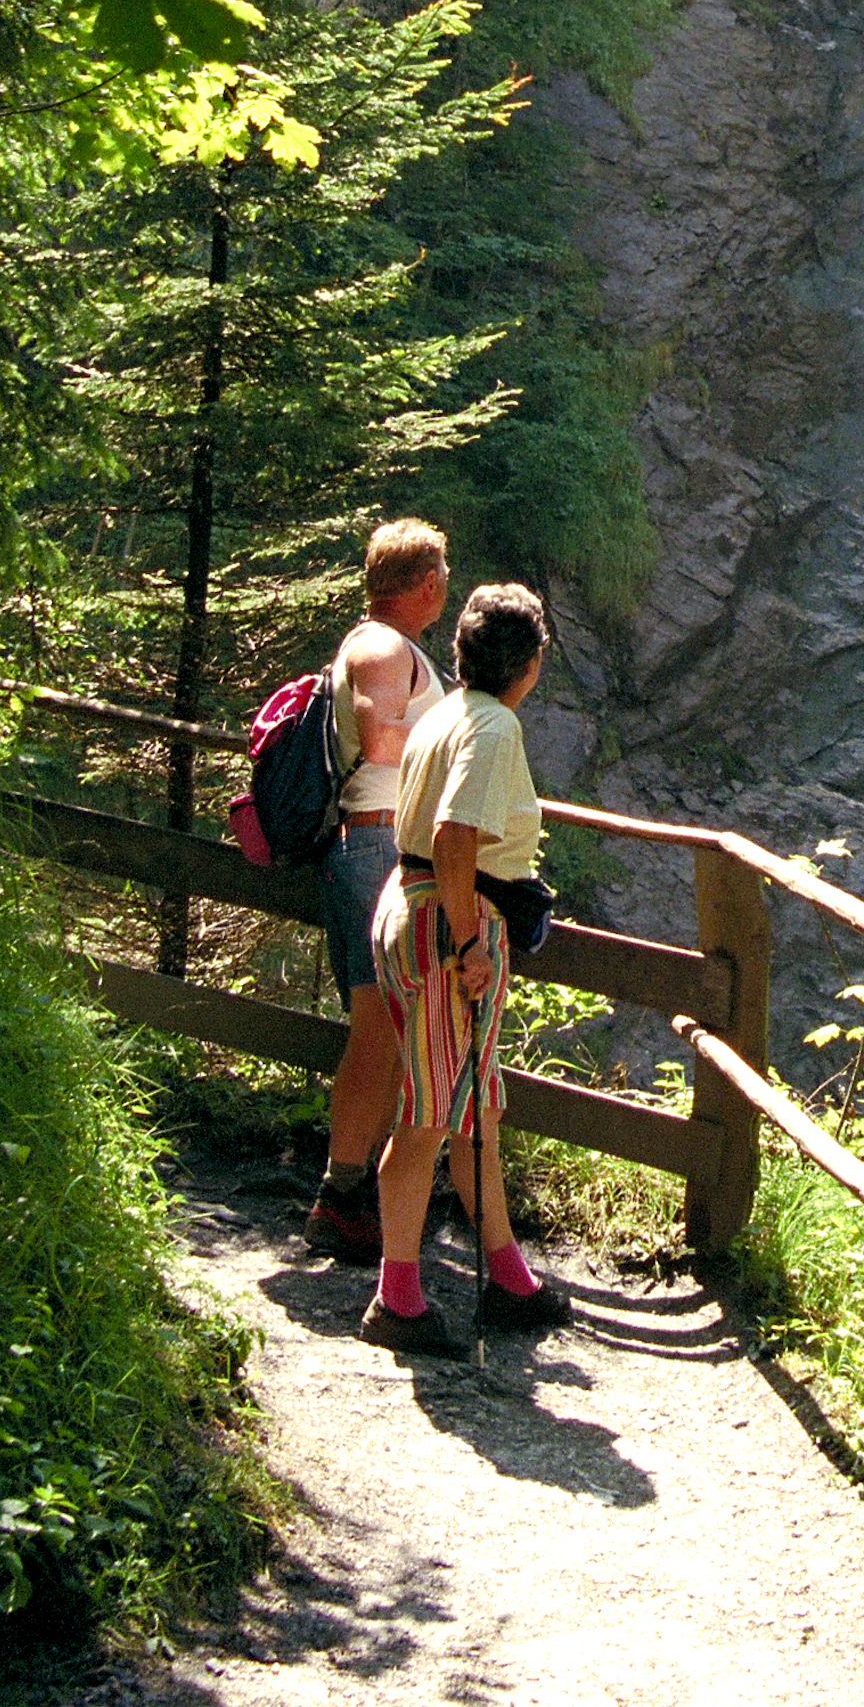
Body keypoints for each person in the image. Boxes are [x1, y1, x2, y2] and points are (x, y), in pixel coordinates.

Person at [361, 578, 565, 1355]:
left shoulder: (444, 711)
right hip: (451, 923)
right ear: (531, 664)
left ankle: (511, 1279)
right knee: (424, 1119)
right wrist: (470, 941)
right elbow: (454, 835)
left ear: (463, 649)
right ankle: (398, 1300)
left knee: (471, 1106)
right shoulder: (493, 729)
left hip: (408, 906)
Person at [302, 518, 451, 1260]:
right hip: (378, 842)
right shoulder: (382, 647)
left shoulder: (383, 645)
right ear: (428, 583)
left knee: (388, 1030)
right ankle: (341, 1194)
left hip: (384, 842)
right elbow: (382, 734)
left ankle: (354, 1195)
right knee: (377, 1030)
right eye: (443, 578)